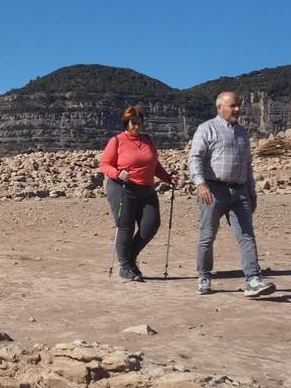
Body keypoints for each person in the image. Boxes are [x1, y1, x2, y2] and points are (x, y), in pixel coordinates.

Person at [189, 91, 275, 297]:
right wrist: (200, 184)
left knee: (246, 235)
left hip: (240, 191)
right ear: (219, 108)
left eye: (238, 105)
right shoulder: (206, 129)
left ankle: (253, 279)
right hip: (213, 190)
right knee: (207, 235)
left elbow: (247, 164)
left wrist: (252, 192)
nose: (238, 109)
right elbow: (195, 159)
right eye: (233, 105)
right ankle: (204, 275)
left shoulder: (243, 133)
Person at [99, 106, 175, 282]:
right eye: (134, 123)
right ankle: (125, 266)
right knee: (126, 227)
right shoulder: (117, 141)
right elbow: (104, 165)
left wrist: (168, 178)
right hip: (122, 188)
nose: (137, 127)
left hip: (146, 189)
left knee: (151, 225)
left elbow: (154, 165)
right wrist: (118, 173)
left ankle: (129, 259)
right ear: (127, 123)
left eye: (140, 123)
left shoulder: (147, 140)